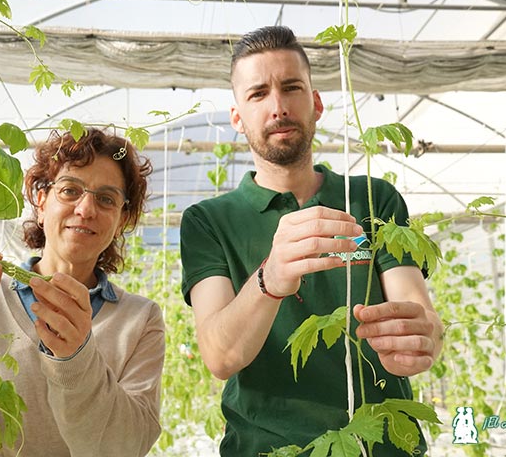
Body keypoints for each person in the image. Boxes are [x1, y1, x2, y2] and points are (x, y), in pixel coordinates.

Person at [179, 26, 444, 456]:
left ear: (316, 103)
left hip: (381, 444)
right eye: (258, 94)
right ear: (237, 118)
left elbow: (418, 311)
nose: (278, 107)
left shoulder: (373, 199)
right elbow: (220, 356)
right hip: (267, 448)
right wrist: (272, 276)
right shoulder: (208, 221)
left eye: (291, 88)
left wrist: (424, 337)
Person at [0, 128, 165, 456]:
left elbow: (126, 448)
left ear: (122, 219)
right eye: (70, 190)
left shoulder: (140, 319)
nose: (86, 209)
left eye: (106, 199)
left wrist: (77, 357)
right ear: (41, 202)